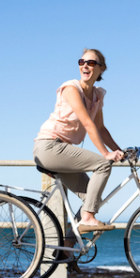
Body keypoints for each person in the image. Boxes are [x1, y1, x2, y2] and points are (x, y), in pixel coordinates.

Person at [33, 48, 124, 246]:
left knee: (93, 197)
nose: (85, 65)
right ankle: (88, 219)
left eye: (91, 63)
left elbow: (101, 128)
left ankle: (66, 248)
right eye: (82, 61)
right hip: (49, 147)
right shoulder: (71, 88)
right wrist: (106, 154)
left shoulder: (97, 96)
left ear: (101, 69)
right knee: (102, 165)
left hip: (63, 152)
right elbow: (88, 124)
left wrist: (121, 151)